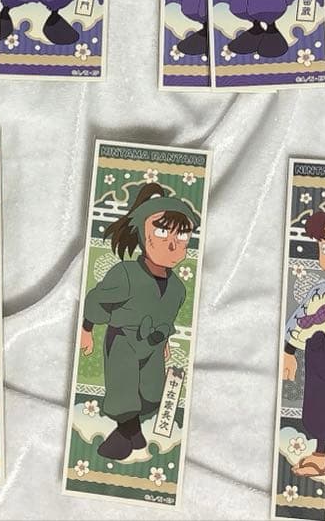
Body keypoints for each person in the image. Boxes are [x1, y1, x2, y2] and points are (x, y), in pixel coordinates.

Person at [80, 183, 198, 460]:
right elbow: (97, 300)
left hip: (154, 345)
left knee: (152, 394)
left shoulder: (178, 288)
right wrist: (87, 329)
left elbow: (167, 316)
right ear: (144, 235)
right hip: (124, 340)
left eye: (182, 235)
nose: (172, 243)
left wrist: (165, 343)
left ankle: (132, 431)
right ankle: (123, 435)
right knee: (124, 390)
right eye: (162, 232)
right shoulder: (125, 273)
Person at [282, 209, 325, 477]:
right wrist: (288, 351)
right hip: (318, 355)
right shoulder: (320, 293)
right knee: (317, 398)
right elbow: (300, 322)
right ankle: (320, 450)